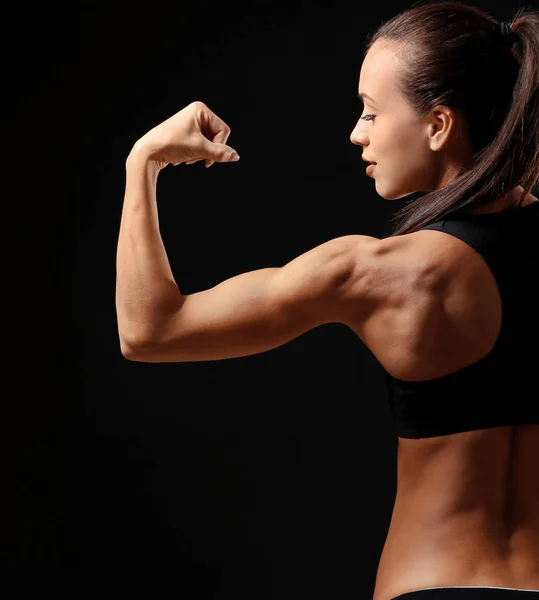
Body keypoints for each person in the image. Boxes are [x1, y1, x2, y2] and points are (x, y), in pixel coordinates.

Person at [115, 1, 539, 598]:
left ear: (439, 124)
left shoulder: (387, 273)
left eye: (370, 112)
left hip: (434, 583)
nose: (356, 132)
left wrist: (144, 162)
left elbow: (149, 331)